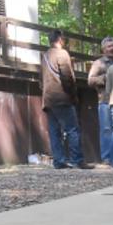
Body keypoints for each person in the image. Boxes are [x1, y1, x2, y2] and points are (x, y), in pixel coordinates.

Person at [41, 28, 85, 169]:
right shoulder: (62, 53)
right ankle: (77, 160)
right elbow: (67, 77)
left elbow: (41, 79)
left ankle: (59, 161)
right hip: (62, 97)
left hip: (48, 99)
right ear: (60, 39)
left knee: (54, 131)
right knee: (72, 129)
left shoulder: (45, 56)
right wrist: (73, 95)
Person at [87, 36, 113, 164]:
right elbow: (90, 80)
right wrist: (105, 78)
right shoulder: (98, 63)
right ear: (103, 49)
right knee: (106, 129)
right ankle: (107, 157)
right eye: (109, 46)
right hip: (105, 100)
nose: (112, 48)